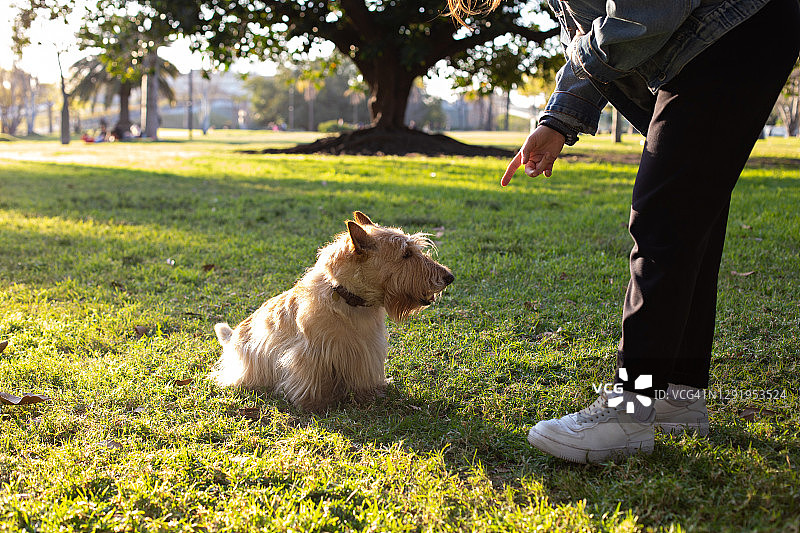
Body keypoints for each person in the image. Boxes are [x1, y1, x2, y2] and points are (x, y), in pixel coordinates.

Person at [449, 0, 800, 463]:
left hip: (730, 29)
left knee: (664, 216)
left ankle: (628, 413)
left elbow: (640, 16)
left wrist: (558, 114)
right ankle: (678, 394)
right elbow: (596, 35)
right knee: (690, 213)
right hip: (723, 34)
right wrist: (557, 118)